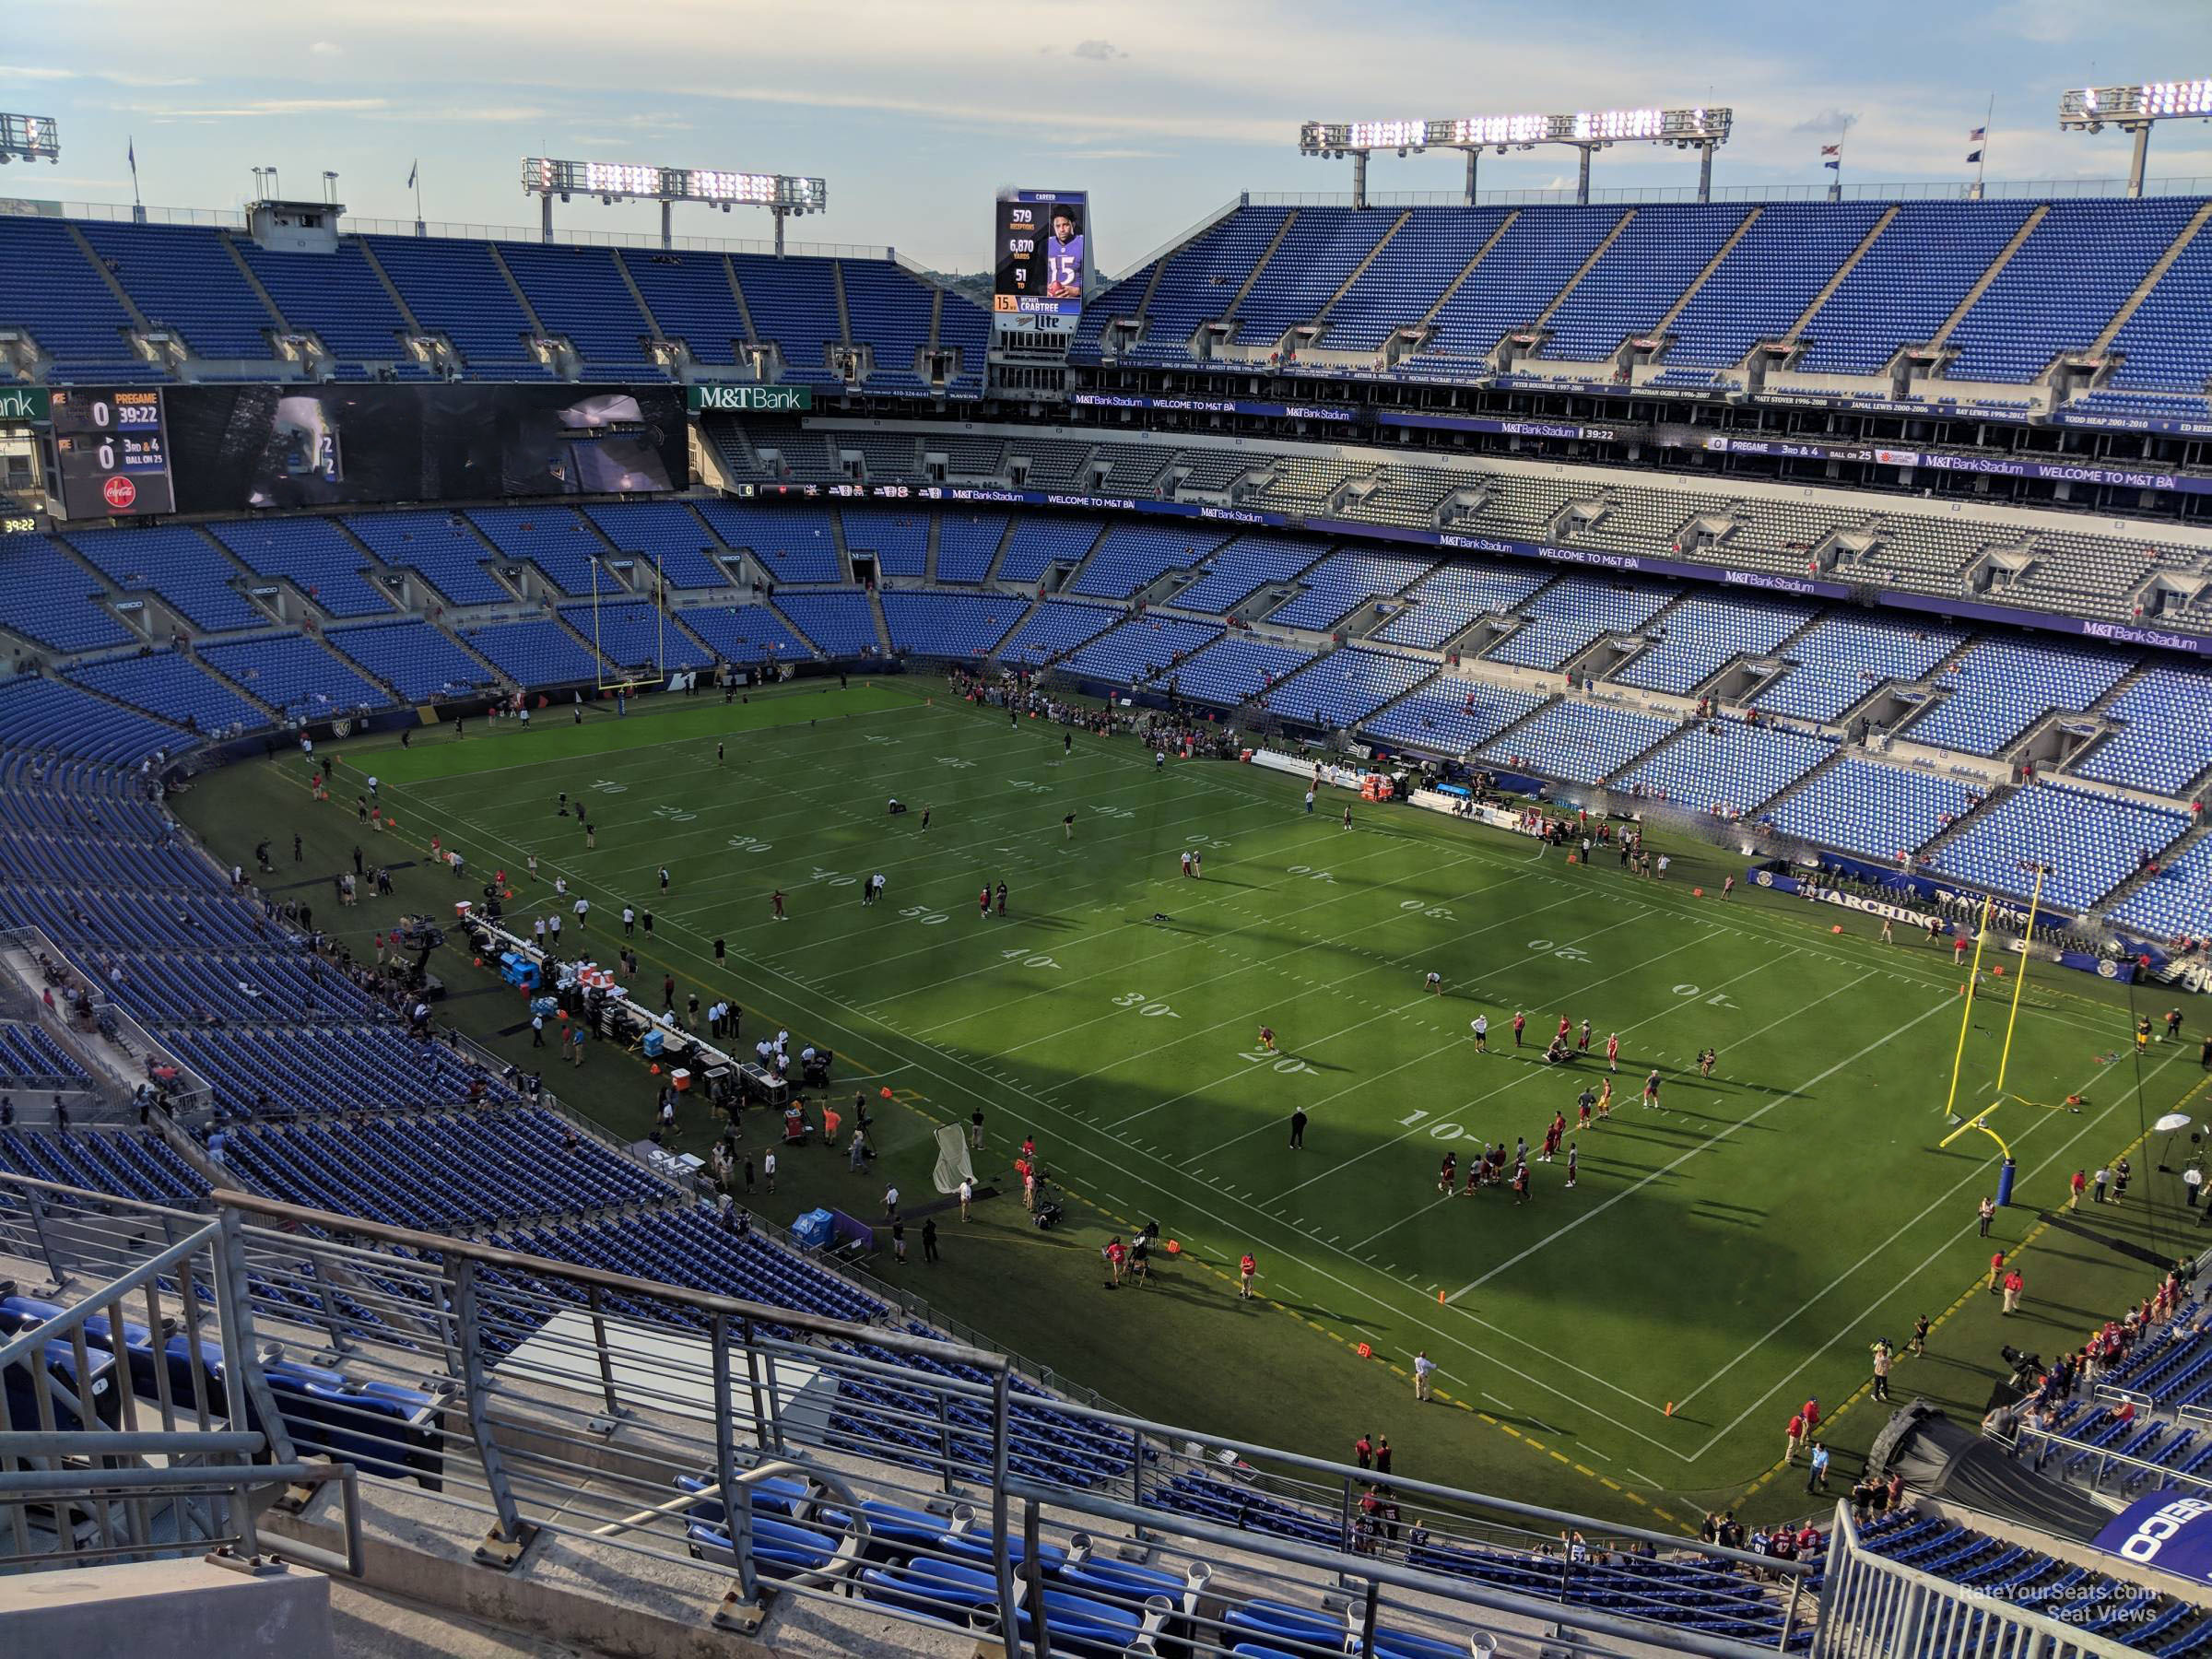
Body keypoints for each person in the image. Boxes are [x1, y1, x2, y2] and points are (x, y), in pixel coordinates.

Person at [1870, 1338, 1893, 1402]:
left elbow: (1875, 1362)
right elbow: (1889, 1366)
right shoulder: (1888, 1360)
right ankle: (1885, 1395)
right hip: (1884, 1373)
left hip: (1878, 1373)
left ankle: (1876, 1396)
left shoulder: (1879, 1358)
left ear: (1882, 1353)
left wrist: (1873, 1351)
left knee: (1877, 1385)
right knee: (1885, 1384)